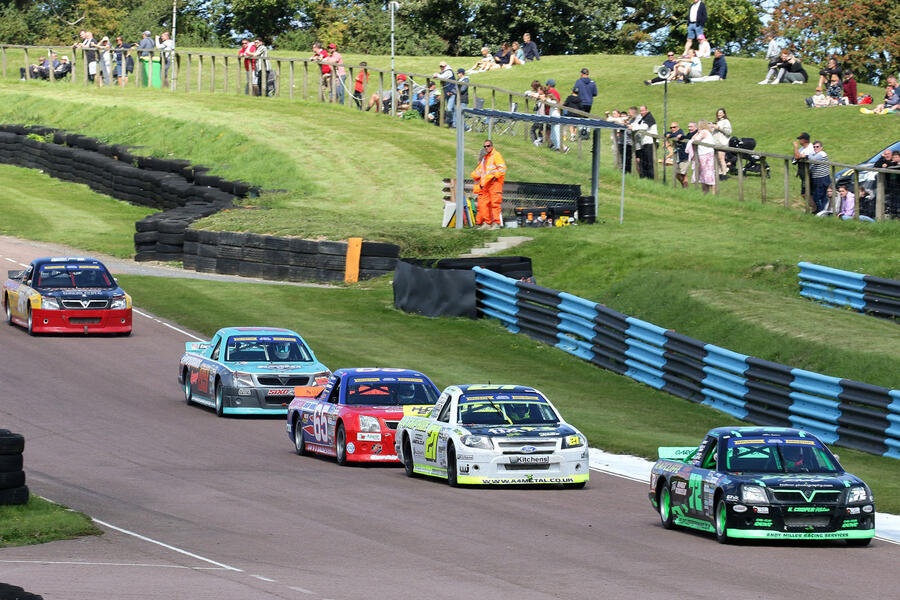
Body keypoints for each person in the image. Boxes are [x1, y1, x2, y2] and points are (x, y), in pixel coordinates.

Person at [471, 140, 506, 229]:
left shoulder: (496, 155)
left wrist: (495, 177)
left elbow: (502, 168)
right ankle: (487, 223)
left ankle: (496, 223)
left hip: (495, 183)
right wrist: (474, 176)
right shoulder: (485, 158)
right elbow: (480, 172)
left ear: (492, 146)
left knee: (495, 204)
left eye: (488, 145)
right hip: (486, 185)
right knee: (484, 205)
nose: (487, 147)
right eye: (485, 146)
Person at [687, 120, 716, 194]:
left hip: (706, 154)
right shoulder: (706, 132)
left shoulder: (704, 132)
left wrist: (698, 132)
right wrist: (697, 132)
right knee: (704, 174)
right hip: (705, 154)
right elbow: (693, 137)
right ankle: (705, 193)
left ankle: (711, 193)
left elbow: (695, 139)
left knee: (708, 173)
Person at [630, 105, 657, 179]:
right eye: (640, 111)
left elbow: (644, 127)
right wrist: (629, 125)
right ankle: (646, 178)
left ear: (646, 110)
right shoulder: (643, 118)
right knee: (645, 162)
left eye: (643, 110)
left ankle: (651, 179)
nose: (641, 112)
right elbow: (637, 124)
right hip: (645, 143)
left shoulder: (649, 117)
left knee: (649, 162)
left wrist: (633, 128)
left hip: (651, 142)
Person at [667, 121, 692, 188]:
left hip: (684, 156)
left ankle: (685, 186)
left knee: (682, 173)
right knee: (677, 174)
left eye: (674, 127)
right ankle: (684, 186)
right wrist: (668, 134)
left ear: (678, 127)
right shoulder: (673, 133)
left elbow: (676, 136)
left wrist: (670, 135)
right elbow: (666, 133)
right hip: (678, 157)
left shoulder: (680, 132)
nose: (672, 129)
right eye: (671, 127)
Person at [808, 140, 831, 213]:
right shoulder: (814, 154)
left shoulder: (822, 154)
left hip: (823, 178)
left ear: (821, 147)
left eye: (817, 146)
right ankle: (821, 211)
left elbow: (812, 159)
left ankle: (822, 212)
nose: (815, 148)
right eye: (814, 147)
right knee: (817, 196)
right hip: (816, 178)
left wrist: (806, 156)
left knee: (821, 196)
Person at [792, 132, 815, 207]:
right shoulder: (802, 148)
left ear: (804, 140)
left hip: (810, 174)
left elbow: (797, 157)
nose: (799, 141)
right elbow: (796, 156)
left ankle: (815, 209)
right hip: (804, 175)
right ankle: (813, 209)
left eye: (800, 139)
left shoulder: (810, 148)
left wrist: (795, 147)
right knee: (804, 194)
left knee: (808, 193)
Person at [711, 108, 732, 179]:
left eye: (720, 113)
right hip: (715, 143)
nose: (719, 114)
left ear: (724, 114)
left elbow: (729, 132)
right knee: (716, 159)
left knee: (721, 158)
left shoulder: (726, 121)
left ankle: (724, 174)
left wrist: (718, 127)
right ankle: (719, 173)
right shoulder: (718, 122)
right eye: (718, 113)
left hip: (721, 143)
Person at [433, 61, 455, 125]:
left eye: (442, 66)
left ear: (445, 66)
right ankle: (451, 122)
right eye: (440, 66)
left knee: (449, 109)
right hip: (446, 92)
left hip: (452, 92)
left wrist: (436, 75)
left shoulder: (449, 71)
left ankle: (451, 122)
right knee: (444, 107)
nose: (441, 67)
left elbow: (442, 77)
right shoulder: (444, 71)